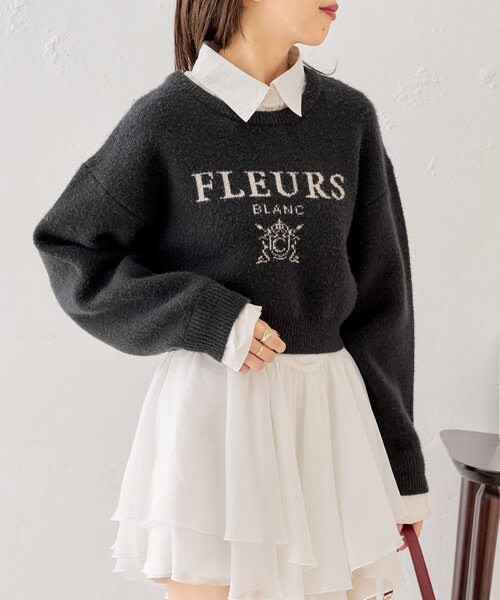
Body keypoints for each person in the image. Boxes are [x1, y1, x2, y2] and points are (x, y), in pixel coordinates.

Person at [32, 1, 432, 599]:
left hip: (331, 426)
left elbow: (382, 304)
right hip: (215, 426)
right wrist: (205, 316)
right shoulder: (166, 121)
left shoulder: (348, 119)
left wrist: (401, 466)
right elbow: (71, 247)